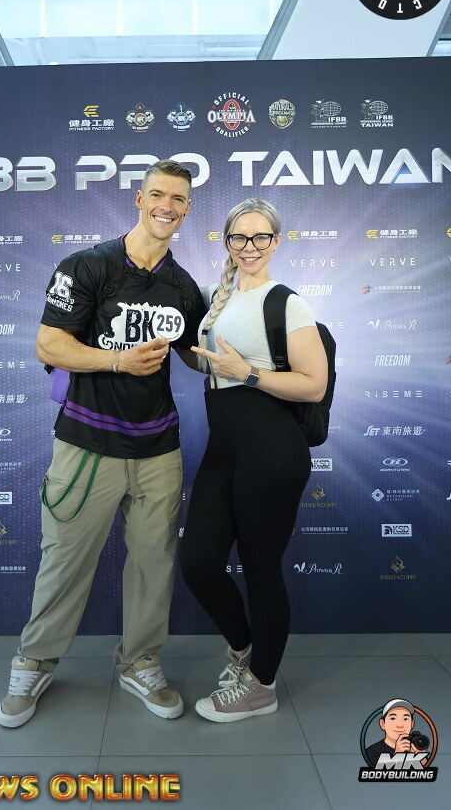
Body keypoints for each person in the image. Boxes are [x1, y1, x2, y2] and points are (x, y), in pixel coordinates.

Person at [0, 159, 205, 727]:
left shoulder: (184, 286)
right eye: (158, 195)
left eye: (178, 199)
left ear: (187, 209)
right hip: (87, 445)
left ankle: (140, 661)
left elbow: (195, 352)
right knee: (64, 559)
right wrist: (117, 360)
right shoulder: (89, 265)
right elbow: (49, 345)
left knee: (153, 563)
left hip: (158, 449)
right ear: (140, 199)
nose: (167, 206)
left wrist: (245, 350)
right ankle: (35, 659)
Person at [180, 197, 328, 722]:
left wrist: (246, 372)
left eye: (260, 237)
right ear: (226, 242)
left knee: (262, 569)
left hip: (271, 447)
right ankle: (244, 650)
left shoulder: (286, 302)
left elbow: (313, 385)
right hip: (224, 446)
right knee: (198, 562)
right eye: (239, 237)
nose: (249, 246)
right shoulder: (212, 299)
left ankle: (261, 685)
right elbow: (200, 356)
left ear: (276, 242)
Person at [365, 699, 429, 768]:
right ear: (382, 724)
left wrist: (421, 756)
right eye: (393, 718)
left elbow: (428, 773)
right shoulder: (372, 752)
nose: (400, 725)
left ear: (412, 724)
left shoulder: (415, 747)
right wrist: (397, 755)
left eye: (405, 719)